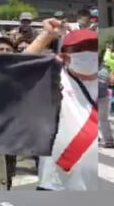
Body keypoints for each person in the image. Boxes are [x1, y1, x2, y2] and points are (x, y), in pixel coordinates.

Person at [26, 24, 98, 190]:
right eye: (80, 49)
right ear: (65, 56)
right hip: (56, 184)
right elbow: (15, 72)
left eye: (93, 47)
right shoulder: (52, 80)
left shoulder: (106, 84)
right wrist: (45, 36)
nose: (88, 52)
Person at [98, 64, 114, 148]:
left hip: (100, 97)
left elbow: (108, 82)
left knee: (103, 120)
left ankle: (109, 141)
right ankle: (108, 140)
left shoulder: (103, 71)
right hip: (100, 97)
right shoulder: (103, 71)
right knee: (102, 120)